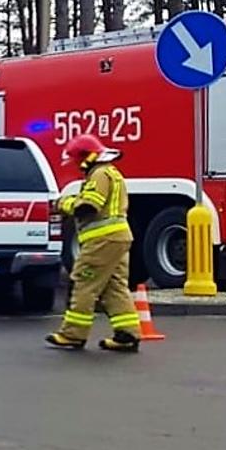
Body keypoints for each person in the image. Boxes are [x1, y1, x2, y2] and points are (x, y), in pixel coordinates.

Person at [47, 134, 141, 352]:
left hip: (102, 241)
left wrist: (64, 203)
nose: (78, 166)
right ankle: (127, 334)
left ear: (87, 156)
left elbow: (88, 207)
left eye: (78, 161)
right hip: (118, 239)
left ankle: (73, 334)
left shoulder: (99, 175)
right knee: (114, 286)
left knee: (83, 283)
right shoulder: (111, 173)